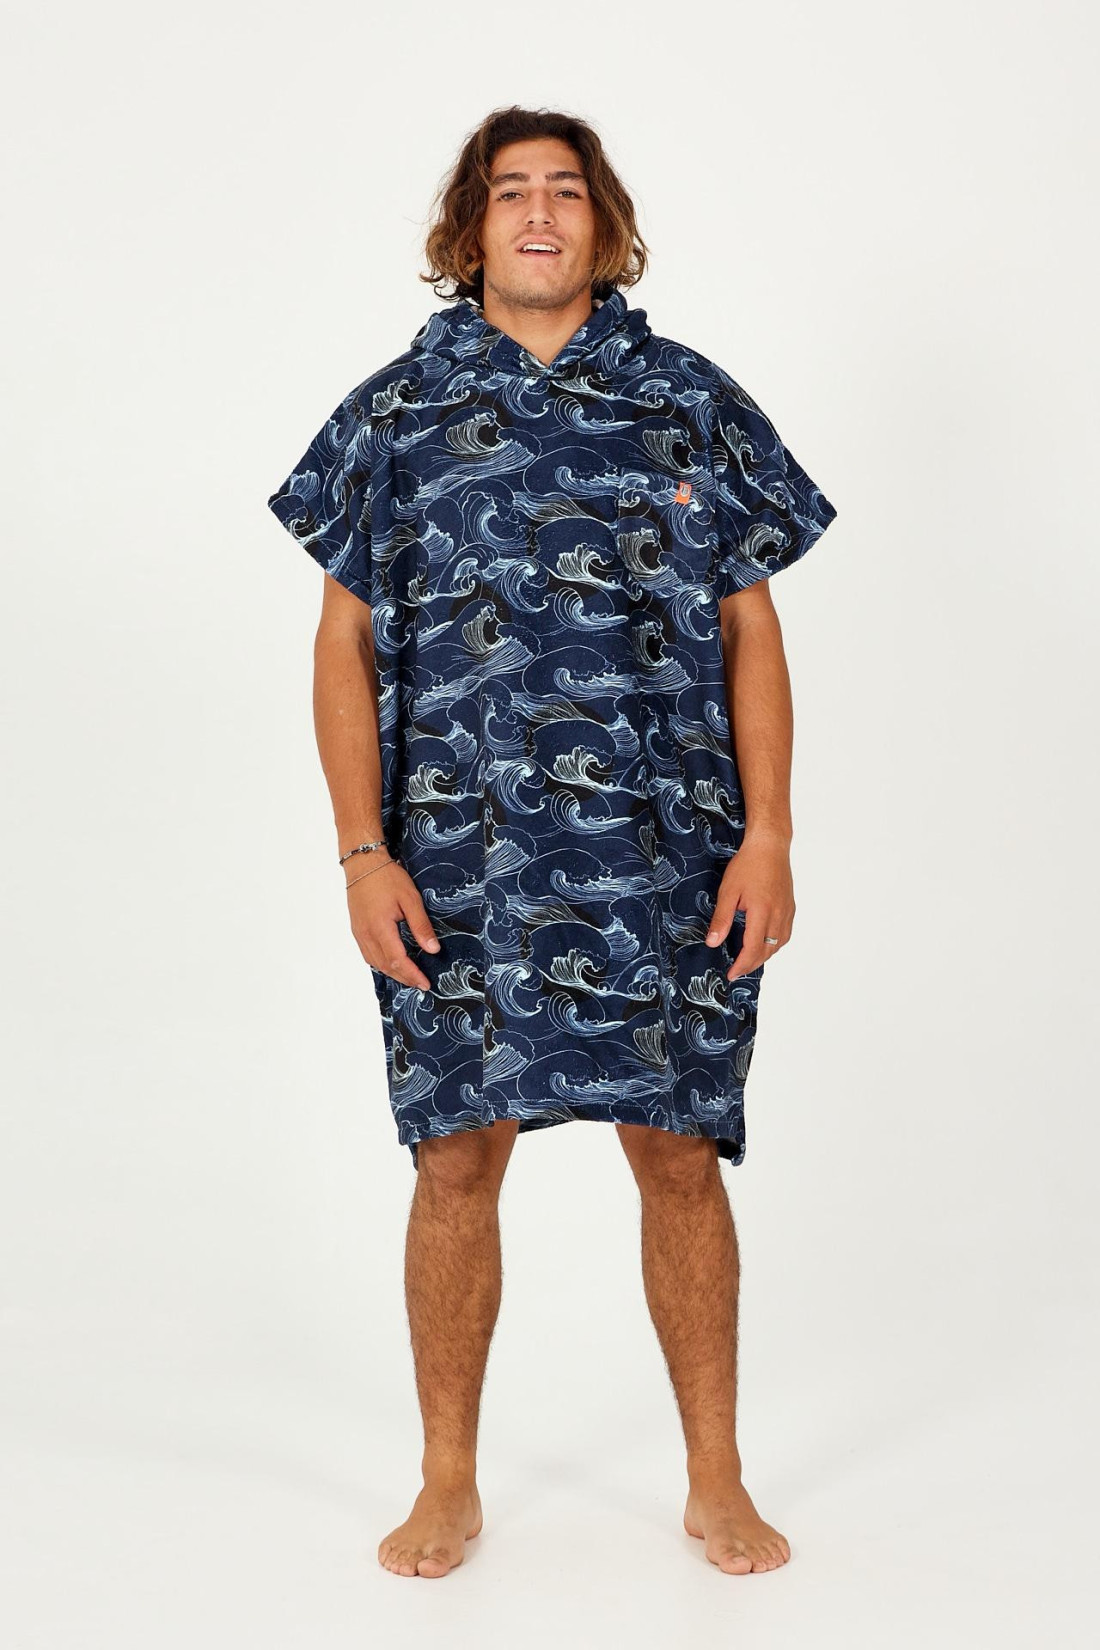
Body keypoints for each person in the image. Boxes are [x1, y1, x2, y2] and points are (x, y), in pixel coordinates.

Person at [266, 105, 837, 1581]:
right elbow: (340, 646)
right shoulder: (396, 414)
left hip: (670, 852)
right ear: (469, 229)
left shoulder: (687, 400)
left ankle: (716, 1476)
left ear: (605, 222)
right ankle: (447, 1477)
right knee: (455, 1158)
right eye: (509, 190)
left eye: (566, 191)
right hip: (453, 863)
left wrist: (770, 834)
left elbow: (752, 630)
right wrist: (361, 851)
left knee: (681, 1154)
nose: (537, 212)